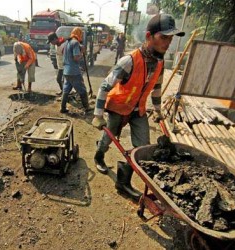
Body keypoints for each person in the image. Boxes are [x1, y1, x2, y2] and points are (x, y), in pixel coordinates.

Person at [91, 14, 185, 200]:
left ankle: (123, 181)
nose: (168, 43)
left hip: (138, 110)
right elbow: (104, 87)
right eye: (164, 37)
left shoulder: (159, 63)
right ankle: (99, 156)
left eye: (171, 38)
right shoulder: (129, 61)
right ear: (149, 36)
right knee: (107, 138)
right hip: (118, 107)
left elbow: (156, 90)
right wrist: (98, 114)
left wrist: (158, 112)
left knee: (142, 149)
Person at [60, 27, 92, 114]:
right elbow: (76, 58)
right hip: (74, 71)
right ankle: (87, 107)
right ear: (79, 34)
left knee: (66, 90)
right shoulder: (75, 42)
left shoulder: (67, 42)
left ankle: (62, 108)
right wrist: (82, 52)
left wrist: (79, 48)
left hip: (66, 71)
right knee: (82, 90)